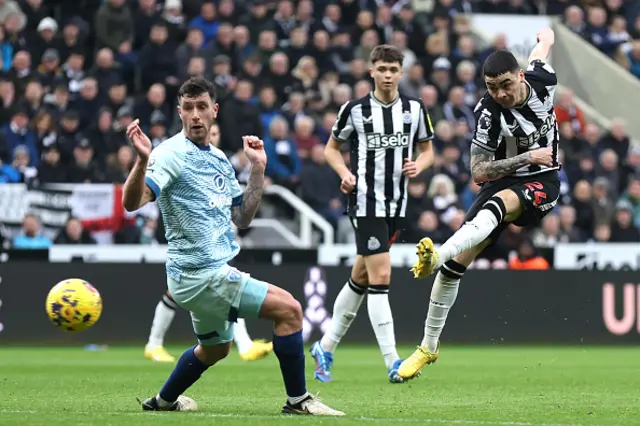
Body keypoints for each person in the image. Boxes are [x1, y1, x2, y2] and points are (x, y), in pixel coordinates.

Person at [122, 77, 343, 416]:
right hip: (202, 274)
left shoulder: (219, 161)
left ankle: (163, 402)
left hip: (201, 275)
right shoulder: (168, 155)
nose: (196, 115)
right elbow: (133, 202)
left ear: (214, 110)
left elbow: (242, 218)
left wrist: (257, 169)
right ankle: (299, 401)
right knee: (290, 310)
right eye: (189, 108)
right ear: (179, 112)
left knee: (215, 350)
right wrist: (141, 160)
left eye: (202, 107)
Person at [398, 28, 560, 379]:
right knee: (454, 268)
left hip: (542, 181)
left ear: (520, 76)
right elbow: (478, 172)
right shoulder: (488, 113)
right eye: (491, 87)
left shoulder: (543, 80)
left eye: (505, 84)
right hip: (502, 179)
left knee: (500, 204)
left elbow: (542, 48)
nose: (500, 93)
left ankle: (435, 254)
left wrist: (546, 34)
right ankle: (427, 347)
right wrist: (528, 155)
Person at [310, 45, 435, 383]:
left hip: (397, 204)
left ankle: (325, 346)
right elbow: (331, 149)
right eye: (382, 69)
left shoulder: (414, 109)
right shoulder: (354, 110)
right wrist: (344, 174)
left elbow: (428, 151)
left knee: (362, 277)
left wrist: (418, 165)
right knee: (381, 277)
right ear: (371, 71)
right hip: (365, 202)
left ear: (401, 72)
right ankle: (393, 361)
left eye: (393, 69)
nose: (388, 75)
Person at [144, 123, 273, 364]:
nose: (211, 136)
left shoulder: (220, 163)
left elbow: (234, 208)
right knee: (211, 288)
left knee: (228, 286)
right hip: (189, 243)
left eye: (215, 134)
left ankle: (155, 344)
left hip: (218, 243)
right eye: (209, 133)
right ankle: (154, 343)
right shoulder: (178, 157)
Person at [144, 290, 273, 362]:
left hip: (211, 250)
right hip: (192, 251)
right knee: (177, 291)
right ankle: (153, 345)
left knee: (229, 290)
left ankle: (245, 345)